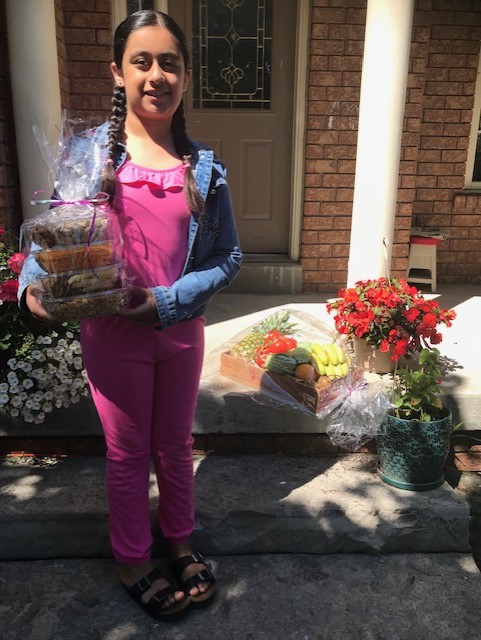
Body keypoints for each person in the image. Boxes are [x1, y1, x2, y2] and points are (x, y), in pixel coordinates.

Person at [18, 10, 243, 621]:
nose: (156, 75)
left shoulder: (202, 165)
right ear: (117, 72)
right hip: (112, 336)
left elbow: (228, 256)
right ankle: (132, 558)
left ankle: (179, 542)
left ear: (186, 75)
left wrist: (167, 302)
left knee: (174, 444)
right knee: (127, 451)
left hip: (180, 332)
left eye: (170, 63)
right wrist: (34, 289)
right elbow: (57, 232)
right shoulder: (89, 155)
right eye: (141, 62)